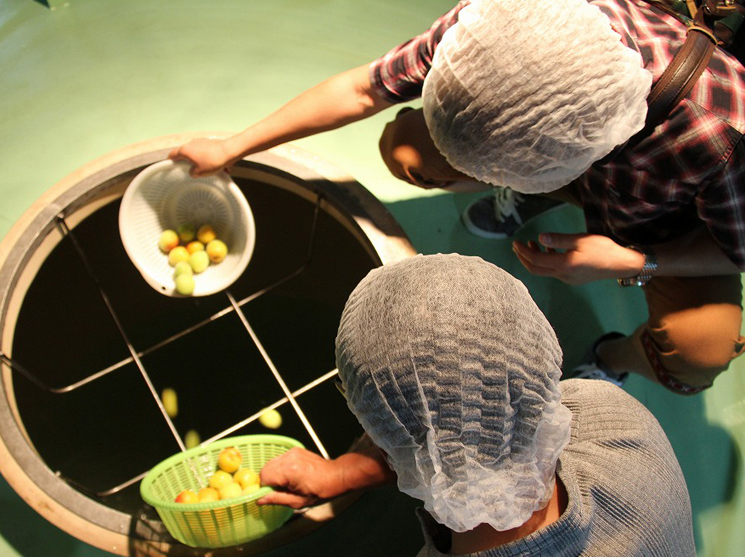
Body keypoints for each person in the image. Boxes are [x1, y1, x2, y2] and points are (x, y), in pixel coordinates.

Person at [169, 0, 745, 395]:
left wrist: (632, 262)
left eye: (518, 176)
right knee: (410, 150)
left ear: (590, 150)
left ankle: (611, 359)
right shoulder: (507, 23)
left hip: (662, 227)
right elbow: (362, 88)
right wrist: (235, 146)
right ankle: (540, 200)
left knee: (700, 350)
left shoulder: (721, 134)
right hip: (587, 170)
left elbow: (736, 250)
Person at [247, 253, 699, 557]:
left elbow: (452, 436)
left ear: (377, 431)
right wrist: (347, 473)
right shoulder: (613, 418)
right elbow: (481, 425)